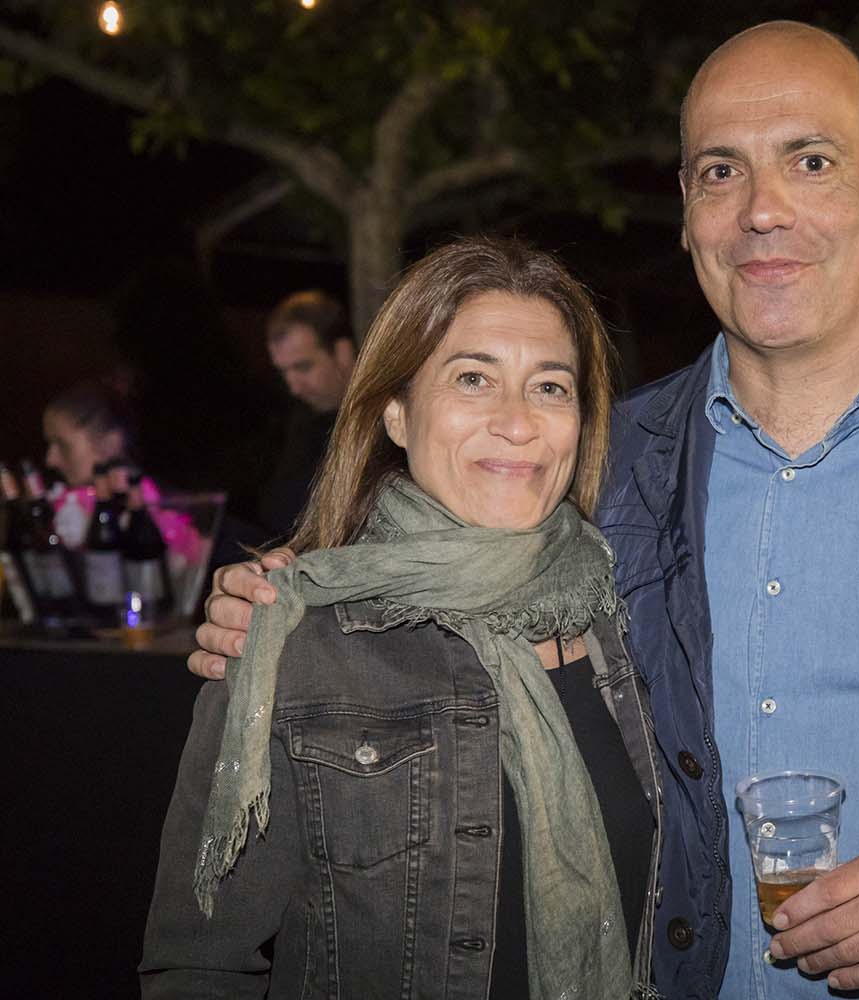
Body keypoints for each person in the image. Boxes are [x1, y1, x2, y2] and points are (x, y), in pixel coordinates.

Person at [192, 21, 859, 999]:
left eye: (810, 161)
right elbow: (439, 573)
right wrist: (293, 597)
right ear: (688, 212)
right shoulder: (600, 467)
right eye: (721, 171)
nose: (762, 209)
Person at [143, 236, 662, 999]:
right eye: (474, 378)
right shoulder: (292, 641)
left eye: (550, 387)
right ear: (395, 411)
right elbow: (199, 964)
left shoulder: (636, 617)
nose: (518, 422)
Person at [258, 290, 359, 540]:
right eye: (284, 372)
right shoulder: (300, 419)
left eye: (303, 367)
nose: (293, 387)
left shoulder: (383, 420)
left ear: (343, 352)